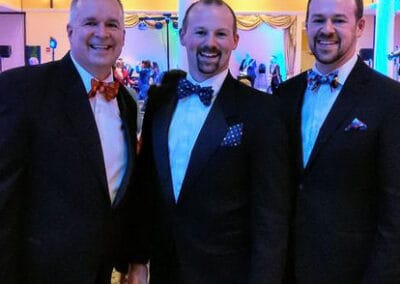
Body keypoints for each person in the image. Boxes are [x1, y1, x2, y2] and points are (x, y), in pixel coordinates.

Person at [123, 0, 292, 283]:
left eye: (221, 34)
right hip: (166, 270)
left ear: (235, 40)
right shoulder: (159, 102)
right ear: (183, 35)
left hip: (229, 274)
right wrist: (138, 260)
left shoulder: (262, 110)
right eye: (200, 32)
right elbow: (146, 186)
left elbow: (271, 214)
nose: (210, 43)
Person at [0, 0, 147, 283]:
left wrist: (135, 257)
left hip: (102, 271)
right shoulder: (24, 89)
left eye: (112, 24)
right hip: (38, 272)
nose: (102, 33)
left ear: (123, 35)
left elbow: (119, 193)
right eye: (91, 23)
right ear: (70, 31)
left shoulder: (126, 102)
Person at [276, 0, 400, 282]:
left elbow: (395, 209)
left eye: (339, 20)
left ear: (359, 27)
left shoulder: (390, 100)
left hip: (352, 272)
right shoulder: (285, 94)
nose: (326, 29)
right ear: (307, 25)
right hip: (287, 268)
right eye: (318, 20)